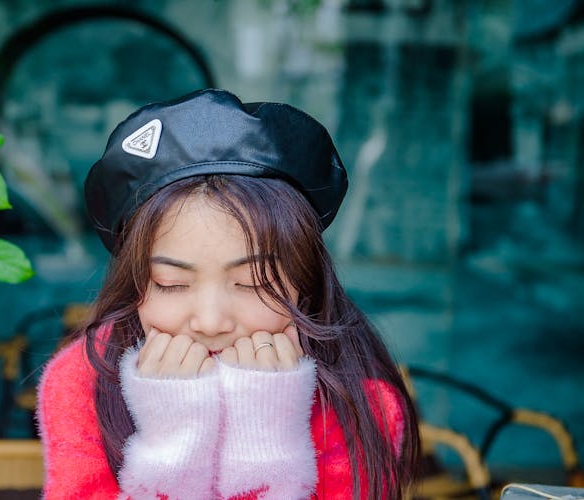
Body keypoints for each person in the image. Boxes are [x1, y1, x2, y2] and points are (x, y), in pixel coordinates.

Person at [37, 89, 420, 499]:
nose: (211, 320)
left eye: (253, 282)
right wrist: (172, 456)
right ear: (135, 283)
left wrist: (268, 448)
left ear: (304, 281)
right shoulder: (83, 381)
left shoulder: (360, 403)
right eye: (172, 283)